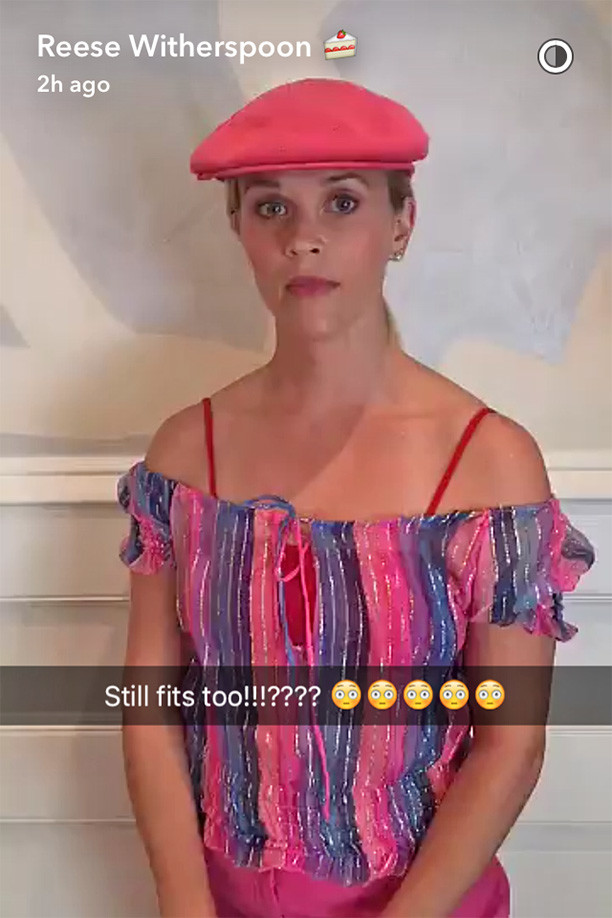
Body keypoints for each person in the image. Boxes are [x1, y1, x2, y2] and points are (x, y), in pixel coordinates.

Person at [117, 78, 596, 918]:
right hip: (219, 895)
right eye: (271, 207)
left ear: (401, 223)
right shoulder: (186, 456)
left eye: (342, 203)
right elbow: (151, 711)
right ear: (237, 227)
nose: (303, 239)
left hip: (422, 898)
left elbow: (511, 747)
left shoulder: (488, 465)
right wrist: (186, 907)